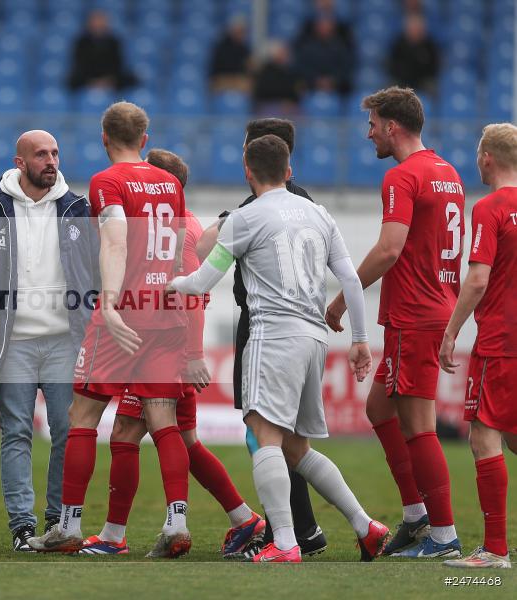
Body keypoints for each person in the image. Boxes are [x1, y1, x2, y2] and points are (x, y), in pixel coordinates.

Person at [170, 135, 390, 563]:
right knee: (297, 447)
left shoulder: (245, 218)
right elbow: (349, 279)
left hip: (272, 336)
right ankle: (366, 526)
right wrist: (360, 338)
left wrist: (168, 285)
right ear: (289, 171)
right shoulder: (320, 214)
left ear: (247, 172)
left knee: (264, 435)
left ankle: (286, 543)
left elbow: (199, 282)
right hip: (314, 339)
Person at [78, 149, 265, 558]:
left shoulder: (174, 231)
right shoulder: (170, 224)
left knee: (127, 434)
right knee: (186, 441)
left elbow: (191, 295)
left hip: (165, 347)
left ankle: (116, 535)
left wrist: (192, 354)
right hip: (167, 344)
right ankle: (243, 518)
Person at [28, 102, 191, 558]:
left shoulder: (107, 182)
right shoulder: (171, 182)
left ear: (104, 138)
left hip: (125, 313)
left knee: (81, 418)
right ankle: (176, 521)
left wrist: (114, 304)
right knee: (163, 418)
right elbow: (177, 248)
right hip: (166, 313)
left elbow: (116, 238)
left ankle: (68, 526)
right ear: (145, 139)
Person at [326, 86, 464, 558]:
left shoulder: (403, 177)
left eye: (373, 125)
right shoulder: (448, 172)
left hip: (415, 313)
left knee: (420, 425)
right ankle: (415, 514)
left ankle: (443, 536)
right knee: (378, 410)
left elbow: (389, 249)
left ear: (393, 127)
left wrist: (343, 300)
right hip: (435, 305)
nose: (368, 134)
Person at [0, 130, 98, 552]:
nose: (51, 161)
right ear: (20, 162)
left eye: (55, 153)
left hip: (66, 342)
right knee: (16, 433)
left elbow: (100, 272)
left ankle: (59, 521)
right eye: (41, 154)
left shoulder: (80, 210)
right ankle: (22, 528)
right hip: (12, 346)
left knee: (69, 431)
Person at [196, 118, 327, 558]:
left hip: (269, 325)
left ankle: (290, 534)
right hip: (292, 327)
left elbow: (203, 253)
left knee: (268, 435)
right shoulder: (295, 203)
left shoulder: (267, 205)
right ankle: (304, 530)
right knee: (280, 437)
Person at [439, 123, 517, 569]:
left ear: (487, 157)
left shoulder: (490, 208)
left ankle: (494, 551)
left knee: (484, 436)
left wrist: (451, 331)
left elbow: (478, 278)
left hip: (501, 341)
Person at [67, 10, 137, 91]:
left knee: (131, 79)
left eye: (100, 22)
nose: (98, 24)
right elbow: (79, 64)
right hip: (87, 79)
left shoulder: (114, 42)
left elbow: (118, 64)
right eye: (95, 21)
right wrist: (92, 82)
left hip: (111, 79)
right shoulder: (81, 42)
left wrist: (107, 81)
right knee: (72, 80)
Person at [294, 12, 354, 95]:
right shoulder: (307, 46)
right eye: (321, 25)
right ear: (316, 27)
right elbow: (303, 66)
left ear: (332, 27)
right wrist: (316, 80)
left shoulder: (340, 46)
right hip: (312, 86)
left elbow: (345, 66)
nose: (324, 28)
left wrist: (332, 80)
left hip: (336, 87)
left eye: (327, 25)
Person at [387, 13, 440, 93]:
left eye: (417, 28)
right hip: (401, 80)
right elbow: (392, 64)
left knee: (432, 87)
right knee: (390, 88)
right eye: (412, 28)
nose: (415, 31)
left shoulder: (429, 45)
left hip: (423, 81)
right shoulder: (399, 44)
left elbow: (434, 66)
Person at [252, 42, 302, 115]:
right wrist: (282, 102)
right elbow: (262, 92)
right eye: (281, 53)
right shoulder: (266, 71)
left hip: (286, 106)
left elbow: (294, 93)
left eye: (285, 53)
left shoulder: (290, 72)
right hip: (268, 105)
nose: (284, 56)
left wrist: (291, 102)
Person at [208, 16, 252, 93]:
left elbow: (248, 68)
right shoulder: (221, 47)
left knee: (248, 84)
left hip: (238, 79)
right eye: (239, 31)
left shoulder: (244, 49)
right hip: (222, 78)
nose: (241, 34)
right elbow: (217, 68)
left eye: (243, 32)